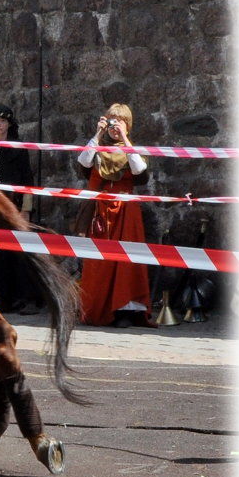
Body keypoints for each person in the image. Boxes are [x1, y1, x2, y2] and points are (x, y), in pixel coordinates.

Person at [75, 103, 156, 328]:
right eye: (111, 120)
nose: (114, 126)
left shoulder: (131, 149)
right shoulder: (97, 146)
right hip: (100, 212)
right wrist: (97, 134)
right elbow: (83, 161)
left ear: (127, 125)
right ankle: (96, 308)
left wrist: (126, 141)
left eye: (119, 121)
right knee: (98, 261)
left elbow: (139, 169)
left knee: (127, 261)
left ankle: (125, 312)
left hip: (125, 211)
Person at [0, 106, 41, 315]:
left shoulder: (19, 147)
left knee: (22, 252)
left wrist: (26, 209)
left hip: (16, 206)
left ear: (10, 124)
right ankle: (4, 298)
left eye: (3, 121)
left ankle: (28, 297)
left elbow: (27, 179)